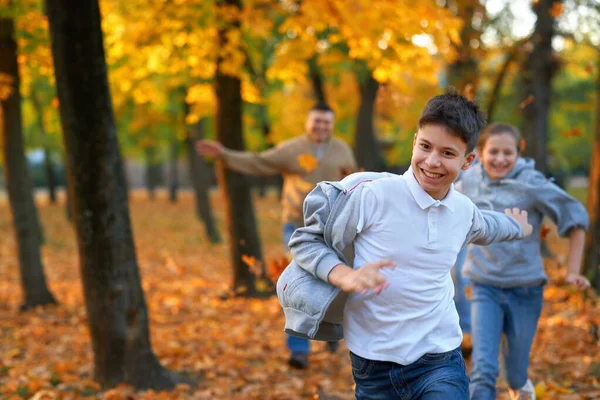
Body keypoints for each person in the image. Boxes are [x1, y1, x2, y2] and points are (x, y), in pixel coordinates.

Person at [278, 91, 534, 399]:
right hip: (372, 363)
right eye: (425, 146)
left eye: (448, 154)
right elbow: (307, 240)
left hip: (440, 358)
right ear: (414, 141)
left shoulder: (463, 211)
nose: (432, 161)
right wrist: (344, 275)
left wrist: (517, 227)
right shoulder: (374, 195)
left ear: (468, 161)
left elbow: (488, 226)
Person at [196, 102, 357, 369]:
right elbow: (259, 162)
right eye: (316, 121)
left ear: (332, 124)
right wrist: (224, 154)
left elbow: (353, 182)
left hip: (333, 228)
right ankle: (299, 351)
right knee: (299, 284)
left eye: (326, 122)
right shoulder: (292, 148)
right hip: (297, 226)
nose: (321, 126)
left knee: (334, 280)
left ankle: (329, 329)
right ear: (308, 122)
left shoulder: (341, 149)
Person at [456, 123, 590, 400]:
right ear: (479, 153)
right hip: (484, 286)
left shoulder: (532, 184)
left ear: (519, 154)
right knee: (483, 369)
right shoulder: (468, 180)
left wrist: (572, 272)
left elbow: (576, 217)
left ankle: (521, 387)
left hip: (525, 290)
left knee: (515, 376)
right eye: (494, 151)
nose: (501, 159)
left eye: (508, 152)